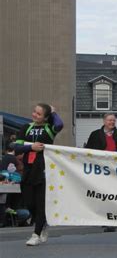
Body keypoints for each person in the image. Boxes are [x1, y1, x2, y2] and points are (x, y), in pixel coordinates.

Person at [14, 103, 63, 246]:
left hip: (43, 168)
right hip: (28, 169)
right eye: (34, 112)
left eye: (39, 114)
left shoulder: (49, 128)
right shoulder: (26, 127)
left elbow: (59, 125)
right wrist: (31, 147)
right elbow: (16, 148)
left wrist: (53, 113)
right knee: (29, 202)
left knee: (40, 203)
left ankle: (36, 234)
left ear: (45, 117)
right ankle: (42, 223)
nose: (35, 115)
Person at [85, 113, 117, 232]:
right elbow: (87, 151)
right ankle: (103, 218)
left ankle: (112, 220)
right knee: (101, 195)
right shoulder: (94, 135)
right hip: (100, 170)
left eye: (113, 120)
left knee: (113, 195)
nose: (112, 123)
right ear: (104, 121)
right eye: (109, 120)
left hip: (115, 171)